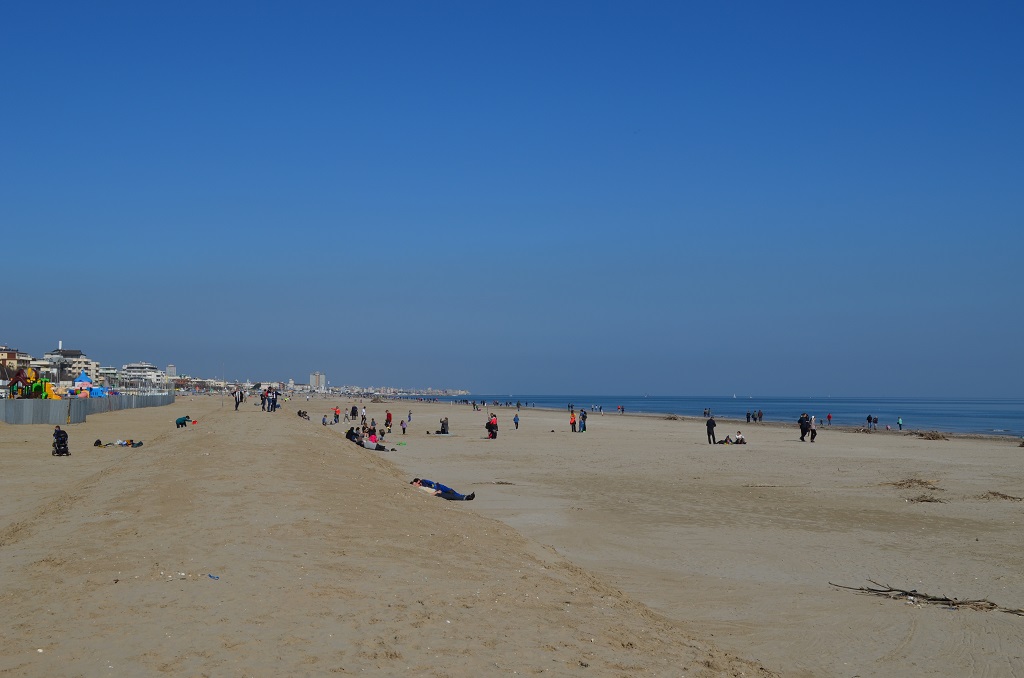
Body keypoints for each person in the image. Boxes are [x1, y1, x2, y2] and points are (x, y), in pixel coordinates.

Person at [411, 478, 475, 501]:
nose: (419, 483)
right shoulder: (420, 488)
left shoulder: (424, 481)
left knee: (452, 492)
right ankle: (466, 497)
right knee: (452, 496)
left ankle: (465, 497)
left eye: (419, 482)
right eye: (418, 483)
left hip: (440, 487)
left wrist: (436, 489)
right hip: (438, 491)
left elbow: (433, 484)